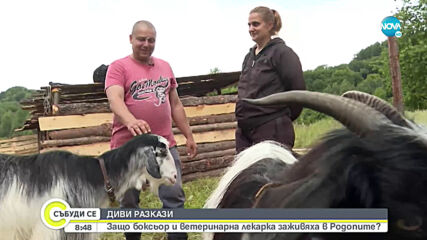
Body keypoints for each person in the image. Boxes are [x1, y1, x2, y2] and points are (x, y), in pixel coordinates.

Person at [105, 20, 196, 240]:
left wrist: (188, 135)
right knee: (129, 202)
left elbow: (175, 104)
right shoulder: (118, 67)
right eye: (141, 39)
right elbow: (114, 99)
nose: (146, 44)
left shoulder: (165, 66)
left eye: (151, 40)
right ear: (131, 39)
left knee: (174, 197)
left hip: (163, 145)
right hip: (128, 149)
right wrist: (130, 120)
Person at [235, 6, 306, 153]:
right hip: (245, 132)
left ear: (269, 25)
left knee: (272, 175)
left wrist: (279, 118)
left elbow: (298, 93)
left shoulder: (282, 53)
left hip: (272, 129)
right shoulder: (249, 57)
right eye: (249, 25)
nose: (251, 29)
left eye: (256, 24)